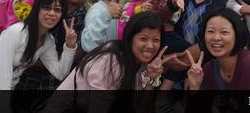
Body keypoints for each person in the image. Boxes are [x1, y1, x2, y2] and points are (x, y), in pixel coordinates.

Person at [44, 12, 176, 113]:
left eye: (156, 40)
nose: (150, 46)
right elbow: (98, 106)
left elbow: (140, 108)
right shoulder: (111, 60)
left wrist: (151, 79)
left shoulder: (143, 65)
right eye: (143, 38)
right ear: (130, 38)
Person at [0, 0, 77, 112]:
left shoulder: (48, 40)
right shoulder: (15, 32)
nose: (52, 13)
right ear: (37, 8)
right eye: (46, 7)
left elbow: (60, 73)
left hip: (6, 95)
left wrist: (70, 46)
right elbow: (3, 75)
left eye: (57, 10)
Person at [15, 0, 96, 95]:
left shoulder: (88, 19)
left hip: (53, 86)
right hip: (21, 80)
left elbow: (72, 57)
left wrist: (23, 58)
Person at [161, 0, 232, 89]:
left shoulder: (226, 7)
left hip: (203, 80)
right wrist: (165, 59)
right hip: (166, 72)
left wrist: (183, 60)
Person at [184, 9, 250, 90]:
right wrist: (195, 87)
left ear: (237, 35)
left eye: (224, 32)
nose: (216, 37)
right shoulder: (207, 70)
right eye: (210, 31)